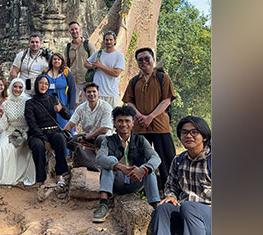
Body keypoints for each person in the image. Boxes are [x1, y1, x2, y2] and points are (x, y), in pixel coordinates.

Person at [147, 116, 212, 235]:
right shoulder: (178, 160)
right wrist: (170, 196)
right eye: (184, 133)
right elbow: (171, 185)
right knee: (162, 208)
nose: (189, 136)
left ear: (204, 136)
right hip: (187, 216)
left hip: (210, 218)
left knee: (189, 206)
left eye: (194, 132)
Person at [91, 106, 161, 223]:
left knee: (149, 167)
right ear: (114, 123)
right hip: (117, 181)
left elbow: (156, 158)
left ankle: (155, 206)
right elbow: (100, 158)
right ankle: (103, 204)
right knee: (110, 160)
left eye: (127, 121)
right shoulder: (108, 140)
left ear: (133, 123)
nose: (124, 124)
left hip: (136, 179)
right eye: (120, 121)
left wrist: (142, 170)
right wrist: (120, 167)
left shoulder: (141, 140)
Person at [122, 48, 177, 186]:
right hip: (140, 126)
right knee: (139, 158)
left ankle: (169, 188)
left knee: (166, 158)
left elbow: (167, 100)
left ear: (153, 59)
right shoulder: (134, 81)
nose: (144, 62)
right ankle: (140, 188)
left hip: (160, 125)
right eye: (140, 60)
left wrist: (151, 116)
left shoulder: (162, 78)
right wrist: (139, 115)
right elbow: (129, 101)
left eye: (147, 58)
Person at [0, 78, 36, 186]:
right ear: (11, 87)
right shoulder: (6, 103)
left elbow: (32, 120)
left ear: (23, 88)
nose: (17, 89)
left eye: (20, 87)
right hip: (10, 130)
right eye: (15, 86)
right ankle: (0, 176)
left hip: (26, 131)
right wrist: (1, 115)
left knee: (25, 149)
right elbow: (3, 125)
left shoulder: (28, 102)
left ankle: (20, 176)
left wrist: (26, 133)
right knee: (1, 146)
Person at [24, 75, 71, 189]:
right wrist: (45, 140)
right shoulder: (30, 103)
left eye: (46, 84)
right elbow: (32, 124)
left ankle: (60, 175)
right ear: (36, 84)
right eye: (41, 83)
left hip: (53, 131)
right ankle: (41, 180)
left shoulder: (53, 99)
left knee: (60, 139)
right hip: (37, 134)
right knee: (38, 146)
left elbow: (68, 116)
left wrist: (61, 109)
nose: (43, 86)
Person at [62, 82, 113, 170]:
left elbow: (104, 129)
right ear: (85, 94)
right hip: (86, 136)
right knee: (69, 140)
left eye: (94, 91)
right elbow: (70, 124)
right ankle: (80, 160)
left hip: (102, 136)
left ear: (98, 93)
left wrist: (88, 137)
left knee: (102, 140)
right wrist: (63, 134)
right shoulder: (81, 108)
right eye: (89, 92)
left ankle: (100, 163)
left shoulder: (106, 107)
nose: (91, 94)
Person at [85, 31, 125, 107]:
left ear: (115, 41)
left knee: (113, 114)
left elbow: (116, 73)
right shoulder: (98, 53)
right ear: (103, 41)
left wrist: (101, 66)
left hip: (112, 94)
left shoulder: (119, 56)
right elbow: (86, 63)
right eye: (106, 40)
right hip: (97, 93)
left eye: (110, 40)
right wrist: (92, 66)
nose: (108, 42)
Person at [65, 21, 95, 107]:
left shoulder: (88, 45)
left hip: (87, 80)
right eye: (72, 30)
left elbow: (95, 61)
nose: (74, 31)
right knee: (73, 104)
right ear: (69, 31)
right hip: (73, 80)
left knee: (88, 104)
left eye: (76, 29)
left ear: (80, 29)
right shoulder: (68, 47)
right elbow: (66, 63)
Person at [44, 53, 76, 130]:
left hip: (63, 104)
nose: (56, 61)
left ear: (62, 61)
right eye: (54, 59)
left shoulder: (66, 72)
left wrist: (71, 107)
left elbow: (72, 89)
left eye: (59, 59)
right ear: (51, 61)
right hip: (49, 104)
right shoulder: (45, 72)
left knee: (65, 127)